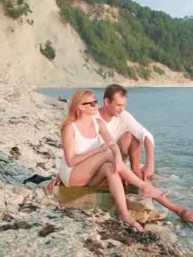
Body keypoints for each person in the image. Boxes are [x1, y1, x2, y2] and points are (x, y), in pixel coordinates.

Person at [58, 89, 166, 232]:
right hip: (72, 175)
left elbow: (112, 144)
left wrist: (117, 158)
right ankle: (145, 187)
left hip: (89, 177)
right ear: (80, 106)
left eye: (96, 101)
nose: (96, 105)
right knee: (107, 153)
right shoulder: (69, 127)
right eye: (91, 103)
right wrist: (98, 150)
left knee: (110, 167)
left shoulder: (98, 123)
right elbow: (70, 161)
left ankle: (125, 214)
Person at [97, 84, 193, 223]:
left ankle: (177, 209)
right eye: (118, 105)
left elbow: (146, 135)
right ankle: (176, 209)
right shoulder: (93, 118)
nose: (122, 109)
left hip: (117, 162)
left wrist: (150, 163)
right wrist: (66, 174)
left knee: (132, 135)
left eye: (124, 105)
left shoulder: (123, 116)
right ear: (107, 102)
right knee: (128, 141)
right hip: (102, 167)